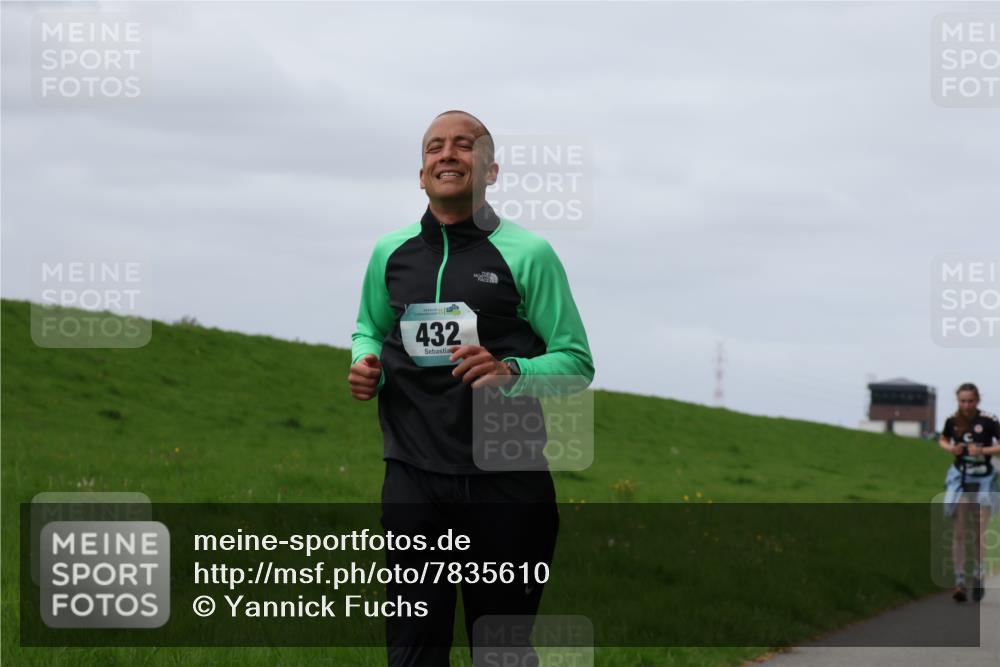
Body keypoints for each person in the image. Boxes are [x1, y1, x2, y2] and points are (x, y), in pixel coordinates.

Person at [348, 110, 594, 665]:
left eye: (464, 145)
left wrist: (513, 371)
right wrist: (367, 363)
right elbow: (370, 326)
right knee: (412, 651)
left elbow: (577, 363)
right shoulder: (391, 252)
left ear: (492, 169)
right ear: (421, 174)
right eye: (435, 147)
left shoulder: (528, 254)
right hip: (413, 475)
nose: (448, 154)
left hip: (506, 484)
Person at [939, 382, 1000, 603]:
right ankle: (959, 581)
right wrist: (951, 449)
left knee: (981, 532)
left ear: (977, 400)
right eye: (962, 401)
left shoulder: (989, 420)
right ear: (958, 400)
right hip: (961, 478)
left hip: (983, 478)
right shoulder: (952, 421)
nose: (966, 405)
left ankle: (978, 574)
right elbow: (943, 440)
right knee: (959, 532)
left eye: (970, 400)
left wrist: (982, 450)